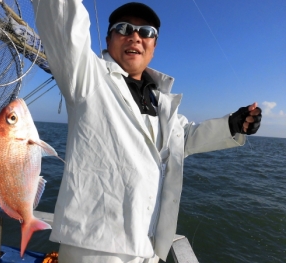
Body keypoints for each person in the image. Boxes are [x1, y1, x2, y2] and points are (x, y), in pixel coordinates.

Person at [33, 1, 262, 262]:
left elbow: (184, 138)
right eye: (123, 28)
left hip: (149, 250)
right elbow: (62, 18)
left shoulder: (160, 101)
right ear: (108, 39)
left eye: (146, 32)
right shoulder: (87, 77)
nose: (135, 36)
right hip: (95, 250)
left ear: (154, 46)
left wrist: (232, 124)